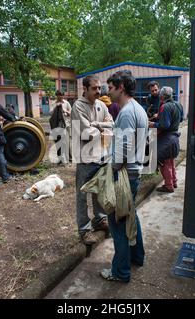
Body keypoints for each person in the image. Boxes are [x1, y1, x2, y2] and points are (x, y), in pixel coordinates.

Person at [100, 70, 148, 283]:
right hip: (133, 172)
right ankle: (137, 257)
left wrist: (112, 167)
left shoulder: (127, 112)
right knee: (130, 216)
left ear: (121, 87)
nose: (107, 91)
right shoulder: (138, 109)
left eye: (110, 87)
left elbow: (125, 146)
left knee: (118, 223)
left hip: (124, 175)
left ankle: (120, 272)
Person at [72, 75, 114, 245]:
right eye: (94, 88)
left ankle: (99, 220)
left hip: (101, 156)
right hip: (85, 158)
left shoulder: (101, 105)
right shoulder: (78, 106)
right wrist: (101, 127)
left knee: (99, 191)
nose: (98, 91)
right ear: (85, 89)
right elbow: (86, 134)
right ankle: (84, 229)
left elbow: (112, 124)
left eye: (99, 88)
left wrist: (95, 125)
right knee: (82, 195)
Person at [149, 86, 184, 193]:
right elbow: (181, 119)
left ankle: (168, 186)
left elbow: (164, 125)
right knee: (171, 161)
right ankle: (174, 181)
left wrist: (152, 124)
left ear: (163, 96)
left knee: (164, 162)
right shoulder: (178, 104)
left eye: (160, 94)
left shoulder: (165, 106)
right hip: (175, 137)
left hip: (167, 139)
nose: (158, 95)